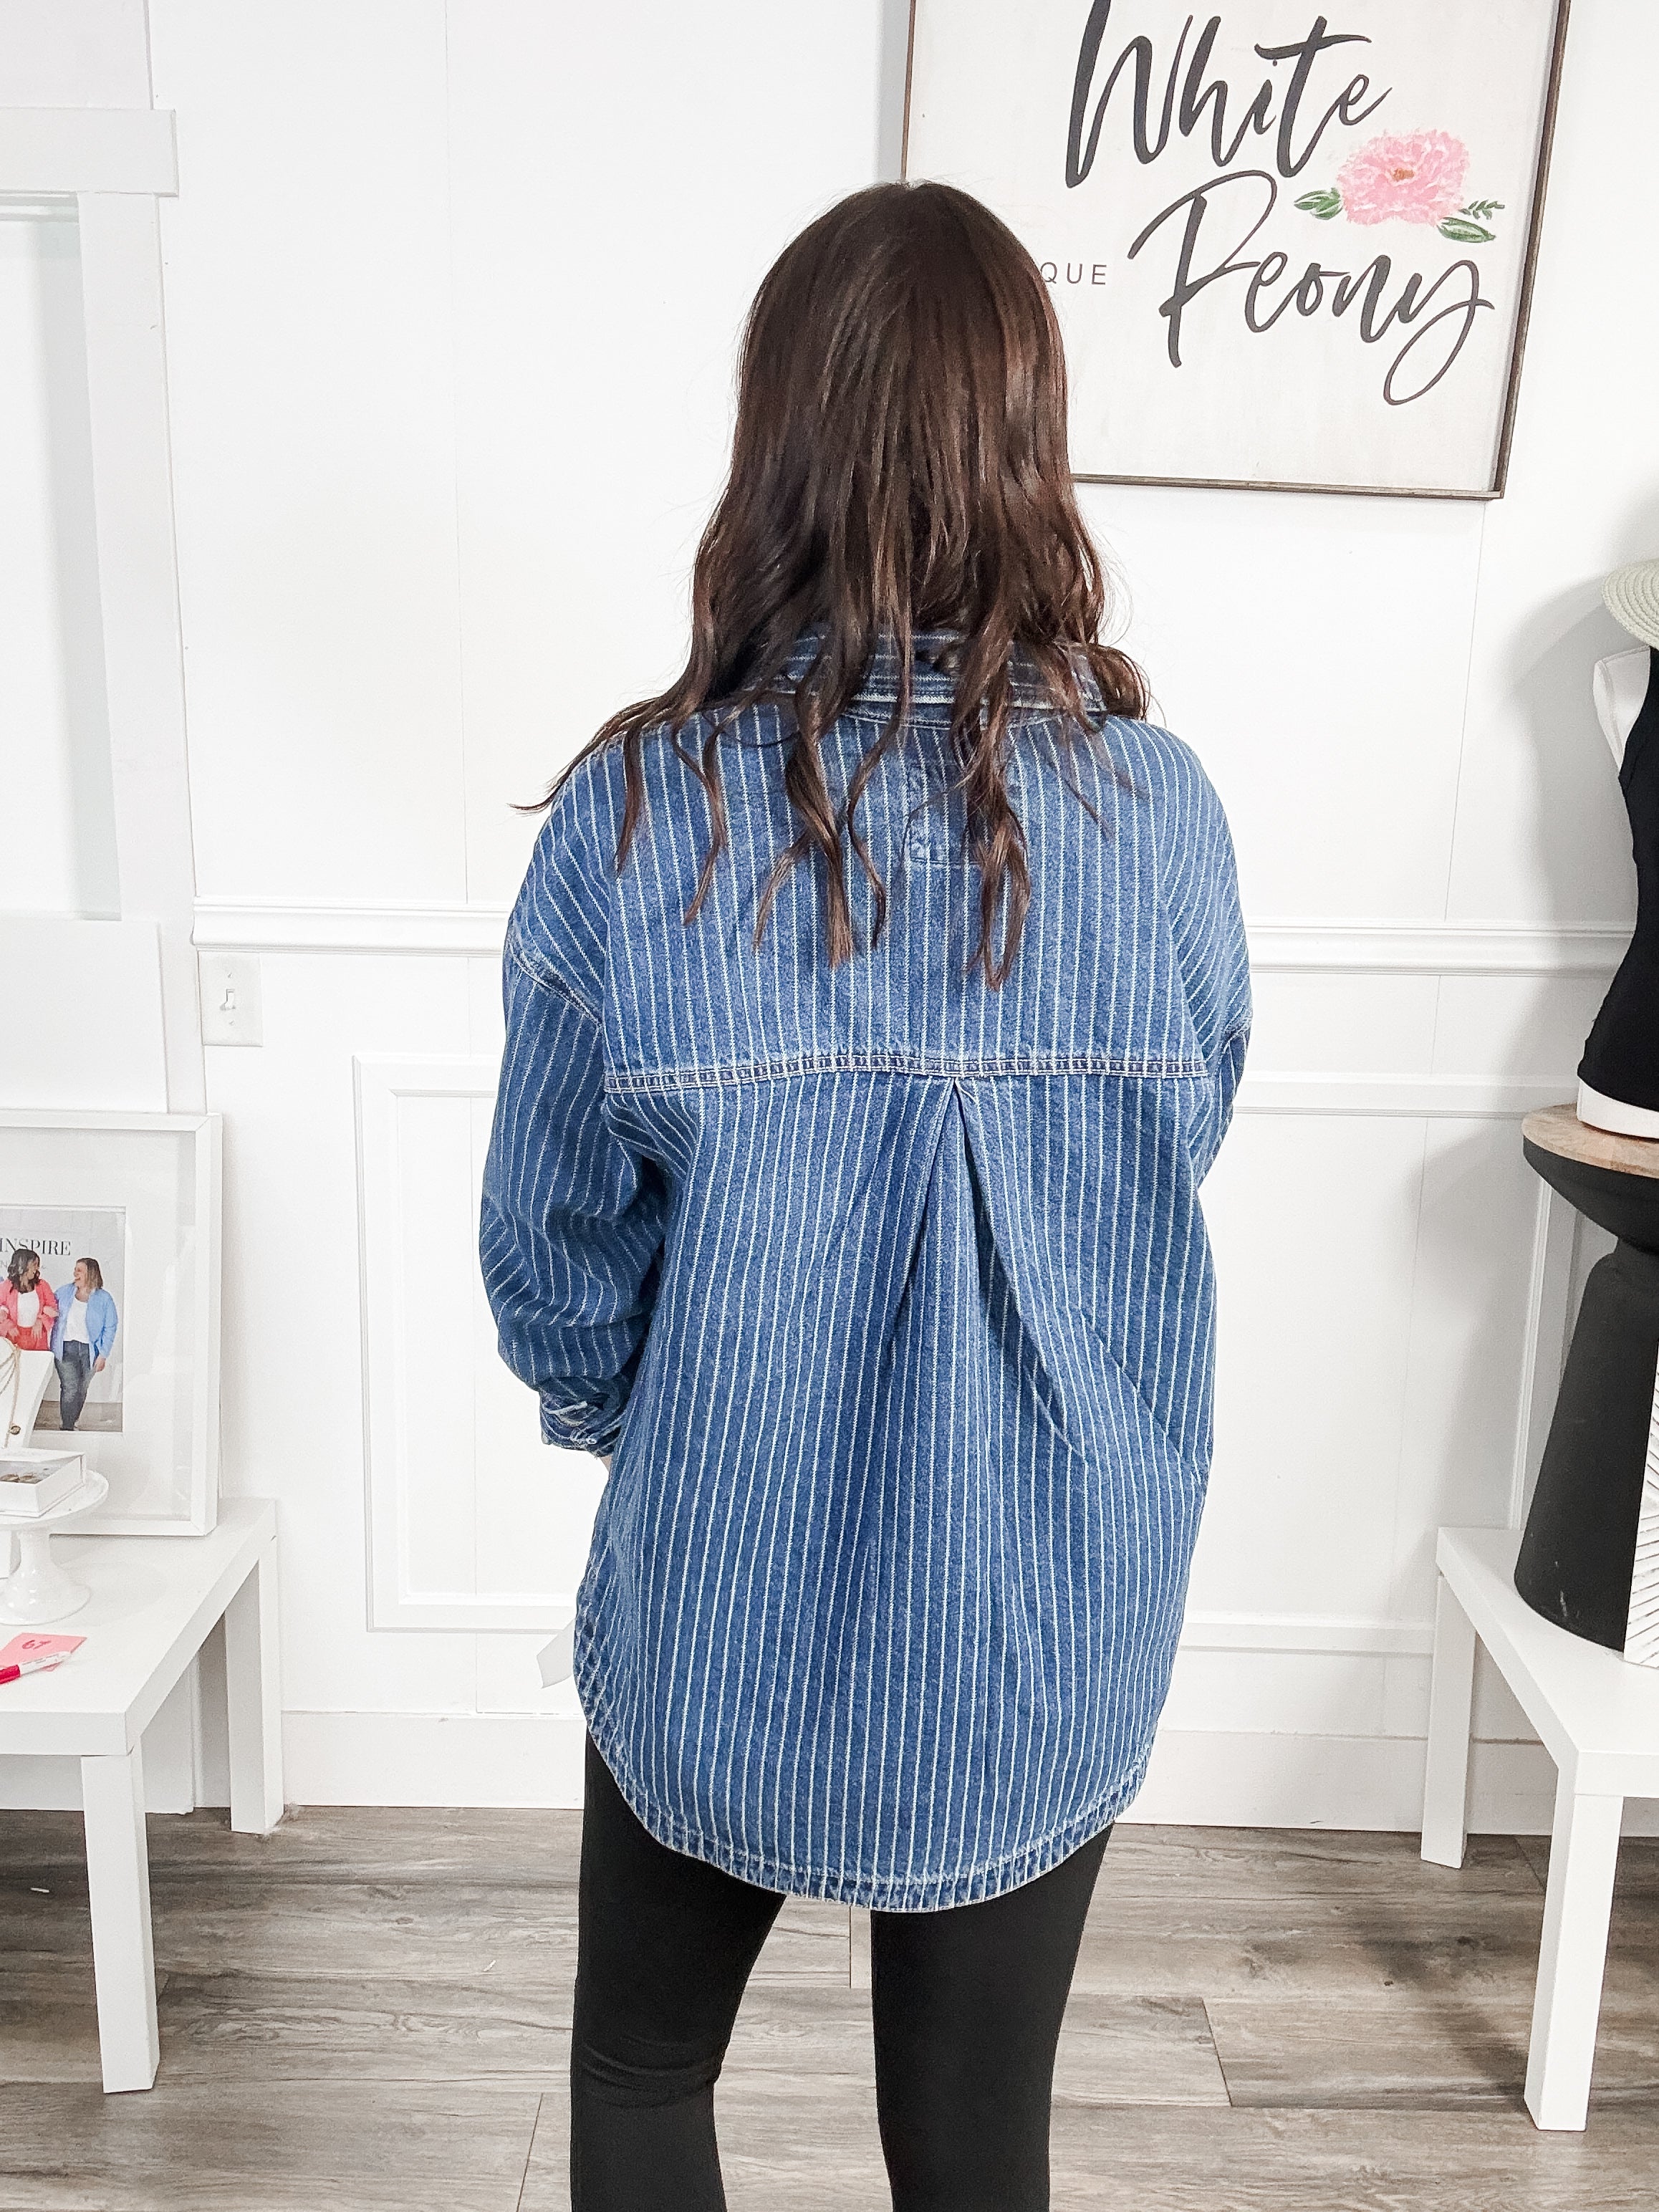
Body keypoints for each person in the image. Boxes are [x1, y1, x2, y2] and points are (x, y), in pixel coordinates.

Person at [480, 180, 1250, 2212]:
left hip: (717, 1574)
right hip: (1043, 1599)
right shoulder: (1160, 814)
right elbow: (1172, 1154)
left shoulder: (633, 815)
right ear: (1027, 439)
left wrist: (657, 1410)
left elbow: (551, 1254)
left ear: (777, 439)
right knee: (977, 2143)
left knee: (641, 2073)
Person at [50, 1258, 117, 1433]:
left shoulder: (104, 1298)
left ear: (91, 1273)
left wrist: (103, 1355)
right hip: (66, 1348)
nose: (75, 1273)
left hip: (90, 1351)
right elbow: (48, 1307)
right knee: (70, 1387)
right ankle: (67, 1426)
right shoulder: (64, 1292)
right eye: (75, 1269)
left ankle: (72, 1421)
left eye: (79, 1270)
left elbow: (110, 1327)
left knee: (82, 1388)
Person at [1, 1250, 59, 1355]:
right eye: (34, 1264)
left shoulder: (43, 1285)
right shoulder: (6, 1286)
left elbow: (53, 1309)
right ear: (23, 1264)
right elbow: (1, 1309)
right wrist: (8, 1325)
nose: (37, 1268)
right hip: (14, 1340)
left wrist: (41, 1320)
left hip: (37, 1339)